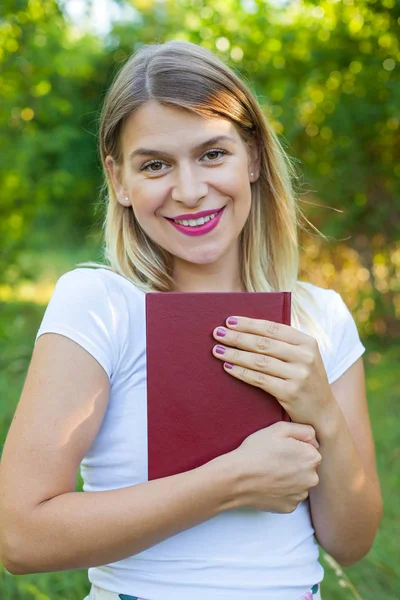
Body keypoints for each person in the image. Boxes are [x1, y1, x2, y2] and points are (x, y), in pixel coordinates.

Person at [0, 40, 382, 600]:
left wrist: (321, 408)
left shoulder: (318, 315)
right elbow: (19, 538)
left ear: (252, 156)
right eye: (155, 165)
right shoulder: (101, 303)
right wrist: (230, 481)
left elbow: (352, 542)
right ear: (119, 180)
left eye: (212, 154)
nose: (189, 190)